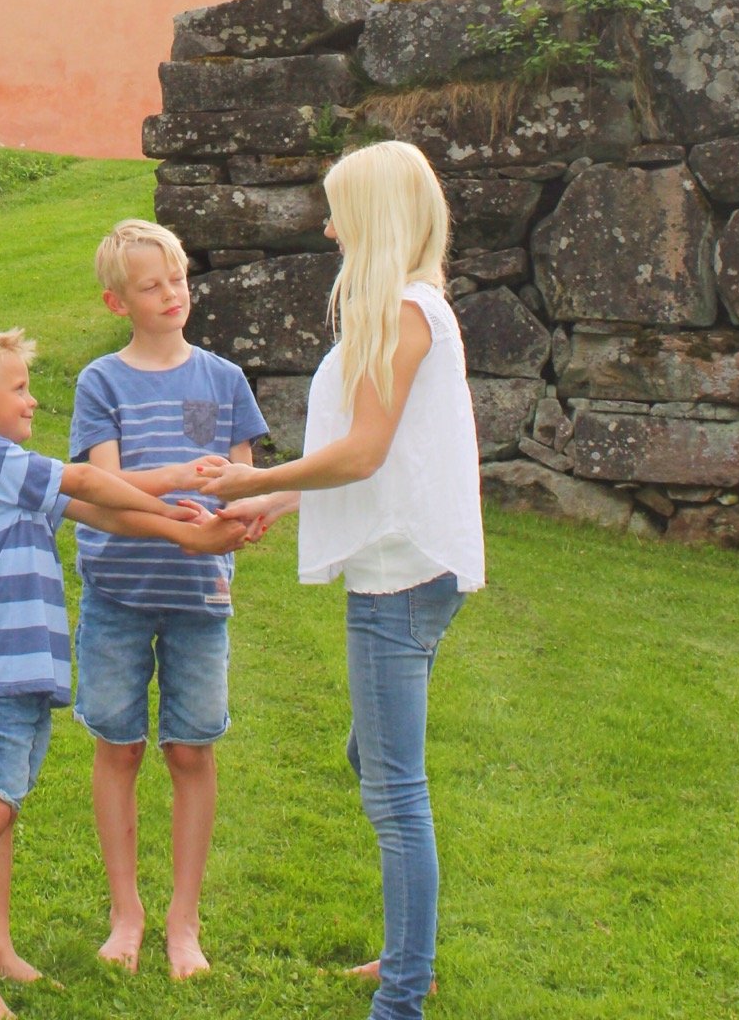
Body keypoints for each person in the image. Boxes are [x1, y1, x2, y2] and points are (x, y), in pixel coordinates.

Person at [202, 140, 484, 1020]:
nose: (328, 229)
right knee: (377, 761)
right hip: (409, 565)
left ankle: (402, 995)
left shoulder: (405, 312)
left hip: (397, 582)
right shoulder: (413, 308)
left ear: (375, 219)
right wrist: (274, 502)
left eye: (338, 213)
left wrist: (245, 481)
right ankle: (410, 956)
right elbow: (379, 459)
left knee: (395, 793)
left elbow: (361, 455)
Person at [0, 325, 236, 1020]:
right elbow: (92, 479)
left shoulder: (10, 471)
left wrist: (186, 526)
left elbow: (98, 510)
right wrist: (175, 493)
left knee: (2, 808)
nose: (33, 400)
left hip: (19, 674)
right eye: (20, 388)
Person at [69, 219, 269, 979]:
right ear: (116, 302)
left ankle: (184, 921)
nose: (171, 294)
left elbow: (243, 483)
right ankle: (127, 913)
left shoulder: (224, 380)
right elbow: (102, 488)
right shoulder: (100, 382)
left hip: (199, 599)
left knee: (190, 750)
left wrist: (243, 518)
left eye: (178, 279)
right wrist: (181, 485)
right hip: (117, 594)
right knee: (118, 747)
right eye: (151, 286)